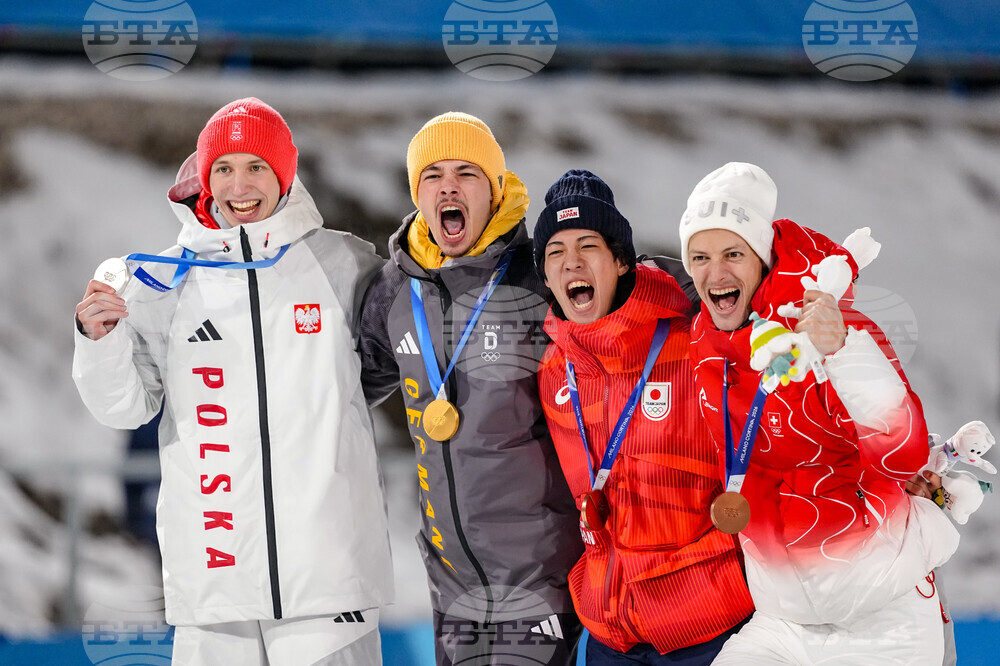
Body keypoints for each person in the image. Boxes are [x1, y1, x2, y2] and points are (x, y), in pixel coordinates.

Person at [73, 98, 392, 665]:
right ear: (205, 178)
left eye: (256, 167)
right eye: (223, 168)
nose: (239, 185)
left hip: (326, 585)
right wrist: (99, 342)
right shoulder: (164, 280)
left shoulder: (344, 264)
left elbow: (381, 372)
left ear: (284, 174)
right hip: (214, 587)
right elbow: (123, 409)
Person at [678, 162, 960, 664]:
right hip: (783, 621)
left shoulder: (832, 327)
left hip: (883, 612)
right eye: (699, 256)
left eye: (733, 254)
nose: (714, 272)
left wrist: (843, 348)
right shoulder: (703, 342)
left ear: (762, 259)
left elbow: (903, 452)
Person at [358, 112, 583, 665]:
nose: (448, 186)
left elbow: (647, 292)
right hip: (451, 580)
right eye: (432, 175)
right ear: (417, 193)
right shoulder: (394, 291)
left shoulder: (540, 274)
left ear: (496, 188)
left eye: (467, 172)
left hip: (539, 572)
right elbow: (342, 385)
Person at [533, 169, 755, 665]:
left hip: (708, 626)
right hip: (613, 631)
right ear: (546, 278)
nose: (571, 263)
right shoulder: (553, 370)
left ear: (619, 261)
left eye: (587, 246)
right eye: (555, 253)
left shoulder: (695, 342)